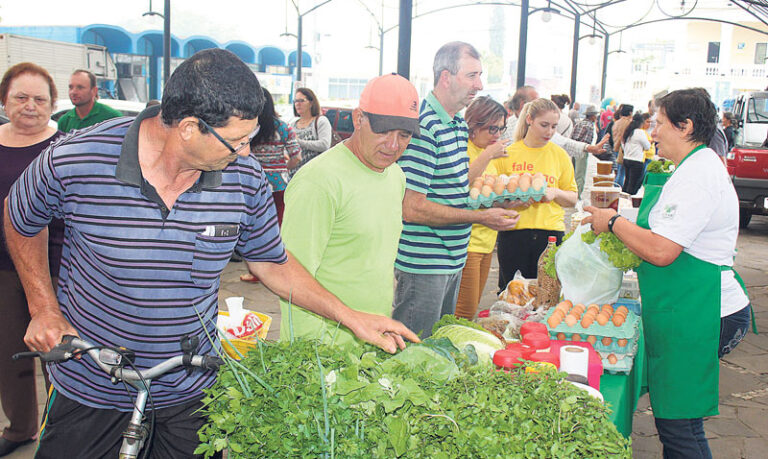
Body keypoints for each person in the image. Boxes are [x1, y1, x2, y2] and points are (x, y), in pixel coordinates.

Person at [3, 49, 418, 459]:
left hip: (190, 385)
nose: (244, 152)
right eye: (236, 140)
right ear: (187, 128)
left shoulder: (244, 179)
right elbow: (20, 217)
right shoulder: (78, 158)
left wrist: (352, 317)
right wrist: (43, 307)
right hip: (91, 383)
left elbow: (272, 263)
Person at [583, 89, 751, 459]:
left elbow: (661, 251)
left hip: (704, 310)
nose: (652, 131)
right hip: (688, 306)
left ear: (685, 126)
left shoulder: (698, 175)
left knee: (680, 425)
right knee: (677, 420)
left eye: (658, 123)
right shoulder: (692, 167)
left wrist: (612, 222)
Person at [279, 73, 420, 345]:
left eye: (404, 135)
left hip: (373, 341)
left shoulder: (396, 176)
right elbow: (289, 278)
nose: (393, 146)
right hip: (322, 353)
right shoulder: (318, 182)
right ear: (358, 119)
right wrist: (314, 354)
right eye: (383, 131)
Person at [393, 41, 521, 338]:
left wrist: (499, 200)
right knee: (415, 350)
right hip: (425, 262)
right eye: (472, 75)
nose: (479, 84)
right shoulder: (425, 126)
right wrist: (481, 217)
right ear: (446, 77)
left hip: (451, 256)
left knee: (439, 343)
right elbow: (411, 208)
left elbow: (458, 182)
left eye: (480, 75)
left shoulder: (456, 125)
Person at [0, 63, 64, 458]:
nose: (30, 106)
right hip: (3, 269)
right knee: (10, 352)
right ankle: (20, 427)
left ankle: (60, 429)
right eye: (21, 97)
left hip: (58, 266)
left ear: (52, 104)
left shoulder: (65, 145)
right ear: (4, 100)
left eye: (40, 99)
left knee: (58, 354)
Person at [495, 98, 578, 288]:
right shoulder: (507, 153)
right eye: (544, 125)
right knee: (511, 294)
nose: (549, 132)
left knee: (547, 293)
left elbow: (573, 198)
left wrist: (555, 193)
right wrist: (511, 201)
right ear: (529, 119)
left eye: (554, 127)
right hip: (514, 234)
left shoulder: (560, 155)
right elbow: (492, 197)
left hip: (550, 236)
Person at [239, 88, 302, 284]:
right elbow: (297, 157)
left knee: (251, 230)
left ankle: (255, 273)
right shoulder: (283, 127)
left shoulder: (247, 128)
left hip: (251, 186)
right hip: (279, 185)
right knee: (278, 229)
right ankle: (279, 272)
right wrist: (282, 168)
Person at [455, 96, 510, 319]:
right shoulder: (463, 149)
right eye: (492, 129)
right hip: (467, 243)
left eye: (501, 129)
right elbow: (461, 184)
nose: (497, 135)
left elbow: (487, 194)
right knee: (464, 311)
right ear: (474, 126)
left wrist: (510, 202)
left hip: (487, 241)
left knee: (473, 306)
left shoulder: (492, 154)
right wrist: (488, 154)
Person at [502, 85, 610, 159]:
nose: (549, 131)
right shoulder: (505, 127)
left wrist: (589, 148)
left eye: (554, 126)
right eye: (536, 101)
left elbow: (563, 142)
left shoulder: (544, 130)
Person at [56, 69, 122, 132]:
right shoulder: (64, 121)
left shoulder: (112, 118)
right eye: (71, 87)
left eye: (80, 87)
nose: (73, 92)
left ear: (94, 91)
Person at [289, 87, 331, 175]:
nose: (297, 104)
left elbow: (324, 145)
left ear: (311, 103)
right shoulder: (292, 125)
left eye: (301, 100)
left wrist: (299, 142)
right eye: (296, 101)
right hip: (294, 176)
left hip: (314, 175)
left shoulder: (320, 121)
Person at [570, 104, 599, 196]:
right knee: (580, 175)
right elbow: (587, 142)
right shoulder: (590, 126)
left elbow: (571, 136)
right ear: (593, 116)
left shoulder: (579, 123)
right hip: (582, 151)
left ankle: (571, 192)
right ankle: (577, 195)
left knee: (573, 173)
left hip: (573, 149)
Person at [620, 113, 651, 195]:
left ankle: (623, 198)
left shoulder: (628, 131)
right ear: (641, 123)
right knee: (633, 184)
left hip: (626, 158)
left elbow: (623, 144)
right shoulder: (640, 132)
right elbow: (647, 146)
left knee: (626, 181)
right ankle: (630, 201)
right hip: (636, 160)